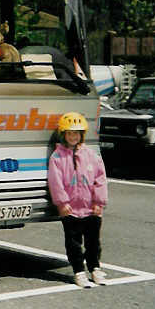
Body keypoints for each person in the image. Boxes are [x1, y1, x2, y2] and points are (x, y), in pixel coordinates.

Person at [48, 112, 109, 288]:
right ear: (63, 135)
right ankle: (79, 272)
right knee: (74, 243)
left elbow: (100, 179)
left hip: (91, 208)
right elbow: (55, 182)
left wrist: (99, 202)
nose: (73, 136)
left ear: (82, 134)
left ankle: (95, 268)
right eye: (69, 133)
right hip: (71, 210)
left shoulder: (92, 156)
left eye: (76, 133)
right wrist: (62, 203)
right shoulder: (57, 158)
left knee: (93, 242)